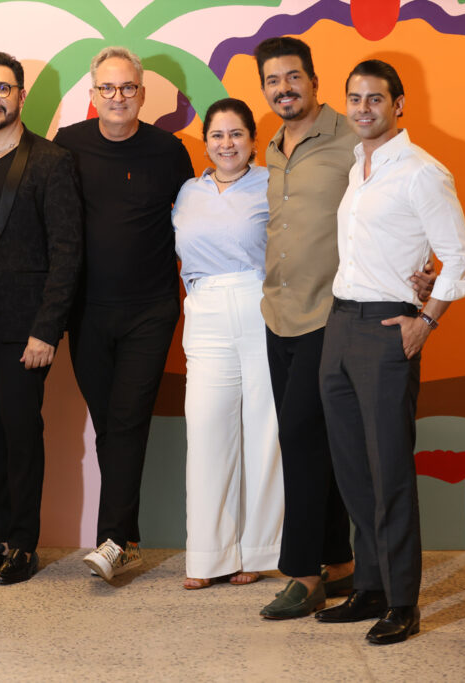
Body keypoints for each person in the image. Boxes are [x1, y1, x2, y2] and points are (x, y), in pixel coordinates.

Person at [254, 37, 435, 620]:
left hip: (330, 316)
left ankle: (303, 574)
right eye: (272, 80)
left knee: (301, 443)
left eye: (293, 77)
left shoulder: (353, 140)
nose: (284, 88)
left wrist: (423, 281)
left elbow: (401, 208)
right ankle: (340, 563)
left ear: (313, 81)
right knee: (332, 448)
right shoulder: (272, 147)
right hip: (278, 314)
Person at [316, 60, 465, 644]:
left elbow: (460, 254)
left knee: (389, 472)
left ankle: (403, 602)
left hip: (387, 329)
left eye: (375, 98)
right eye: (355, 98)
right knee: (352, 469)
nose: (363, 108)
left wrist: (426, 320)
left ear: (398, 104)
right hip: (339, 324)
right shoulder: (358, 167)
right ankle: (371, 586)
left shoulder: (421, 172)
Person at [53, 47, 194, 582]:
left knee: (128, 418)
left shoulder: (169, 151)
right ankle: (126, 541)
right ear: (93, 94)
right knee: (109, 423)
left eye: (128, 87)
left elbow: (197, 222)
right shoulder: (67, 145)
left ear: (142, 93)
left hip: (150, 310)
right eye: (107, 88)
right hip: (86, 311)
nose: (118, 97)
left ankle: (111, 541)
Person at [0, 51, 82, 585]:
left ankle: (25, 545)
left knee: (21, 433)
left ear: (21, 95)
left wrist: (46, 329)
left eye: (2, 88)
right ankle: (2, 538)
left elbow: (67, 251)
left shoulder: (50, 160)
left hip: (25, 327)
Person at [172, 98, 282, 590]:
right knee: (206, 431)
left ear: (253, 141)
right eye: (217, 135)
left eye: (236, 134)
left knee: (264, 429)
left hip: (260, 304)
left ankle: (259, 551)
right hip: (205, 309)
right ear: (206, 143)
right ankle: (207, 555)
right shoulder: (189, 191)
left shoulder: (271, 183)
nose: (227, 143)